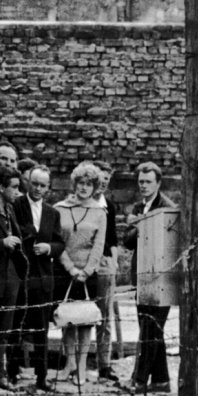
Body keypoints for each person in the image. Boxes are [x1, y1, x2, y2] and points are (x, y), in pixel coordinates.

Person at [123, 161, 176, 393]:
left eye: (147, 182)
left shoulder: (167, 208)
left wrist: (140, 226)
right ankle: (161, 380)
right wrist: (137, 227)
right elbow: (127, 241)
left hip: (162, 277)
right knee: (151, 328)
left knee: (150, 330)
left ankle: (139, 380)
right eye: (140, 182)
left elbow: (167, 242)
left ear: (158, 183)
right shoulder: (139, 206)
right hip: (142, 274)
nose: (143, 186)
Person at [53, 162, 108, 386]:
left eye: (89, 184)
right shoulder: (59, 208)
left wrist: (87, 270)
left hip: (88, 272)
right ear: (74, 184)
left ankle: (83, 365)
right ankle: (70, 364)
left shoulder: (99, 211)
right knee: (67, 317)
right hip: (65, 269)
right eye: (80, 183)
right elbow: (57, 241)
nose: (84, 188)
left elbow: (99, 244)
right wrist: (70, 268)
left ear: (95, 187)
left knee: (85, 320)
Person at [13, 165, 64, 391]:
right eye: (35, 184)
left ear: (48, 188)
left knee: (42, 328)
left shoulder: (53, 213)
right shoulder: (17, 205)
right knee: (17, 325)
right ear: (28, 182)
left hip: (43, 278)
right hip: (21, 276)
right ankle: (13, 373)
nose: (38, 189)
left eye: (43, 185)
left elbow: (60, 243)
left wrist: (49, 248)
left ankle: (42, 377)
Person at [0, 164, 27, 389]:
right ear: (1, 187)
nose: (17, 192)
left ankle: (1, 373)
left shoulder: (10, 210)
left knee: (6, 328)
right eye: (13, 187)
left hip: (12, 275)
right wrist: (2, 243)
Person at [92, 159, 121, 383]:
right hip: (83, 261)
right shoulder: (81, 203)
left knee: (105, 315)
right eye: (99, 179)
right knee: (78, 312)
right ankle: (74, 363)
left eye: (106, 181)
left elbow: (112, 238)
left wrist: (114, 261)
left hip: (103, 262)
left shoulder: (108, 206)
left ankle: (105, 364)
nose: (102, 184)